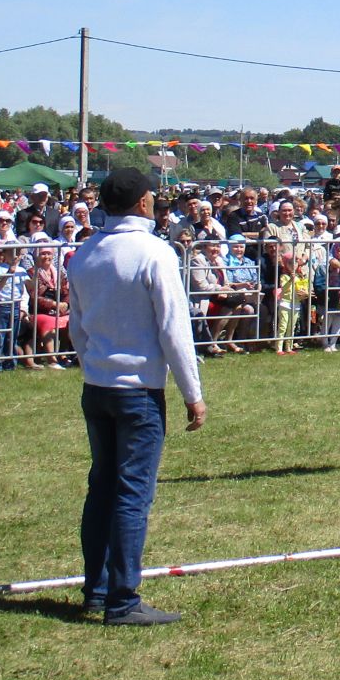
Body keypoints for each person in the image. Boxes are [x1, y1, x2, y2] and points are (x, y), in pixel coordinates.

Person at [66, 168, 205, 627]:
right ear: (144, 203)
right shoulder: (154, 252)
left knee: (102, 489)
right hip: (139, 392)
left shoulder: (86, 251)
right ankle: (122, 600)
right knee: (131, 495)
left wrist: (93, 367)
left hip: (98, 386)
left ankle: (97, 589)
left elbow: (76, 326)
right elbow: (174, 329)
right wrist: (193, 393)